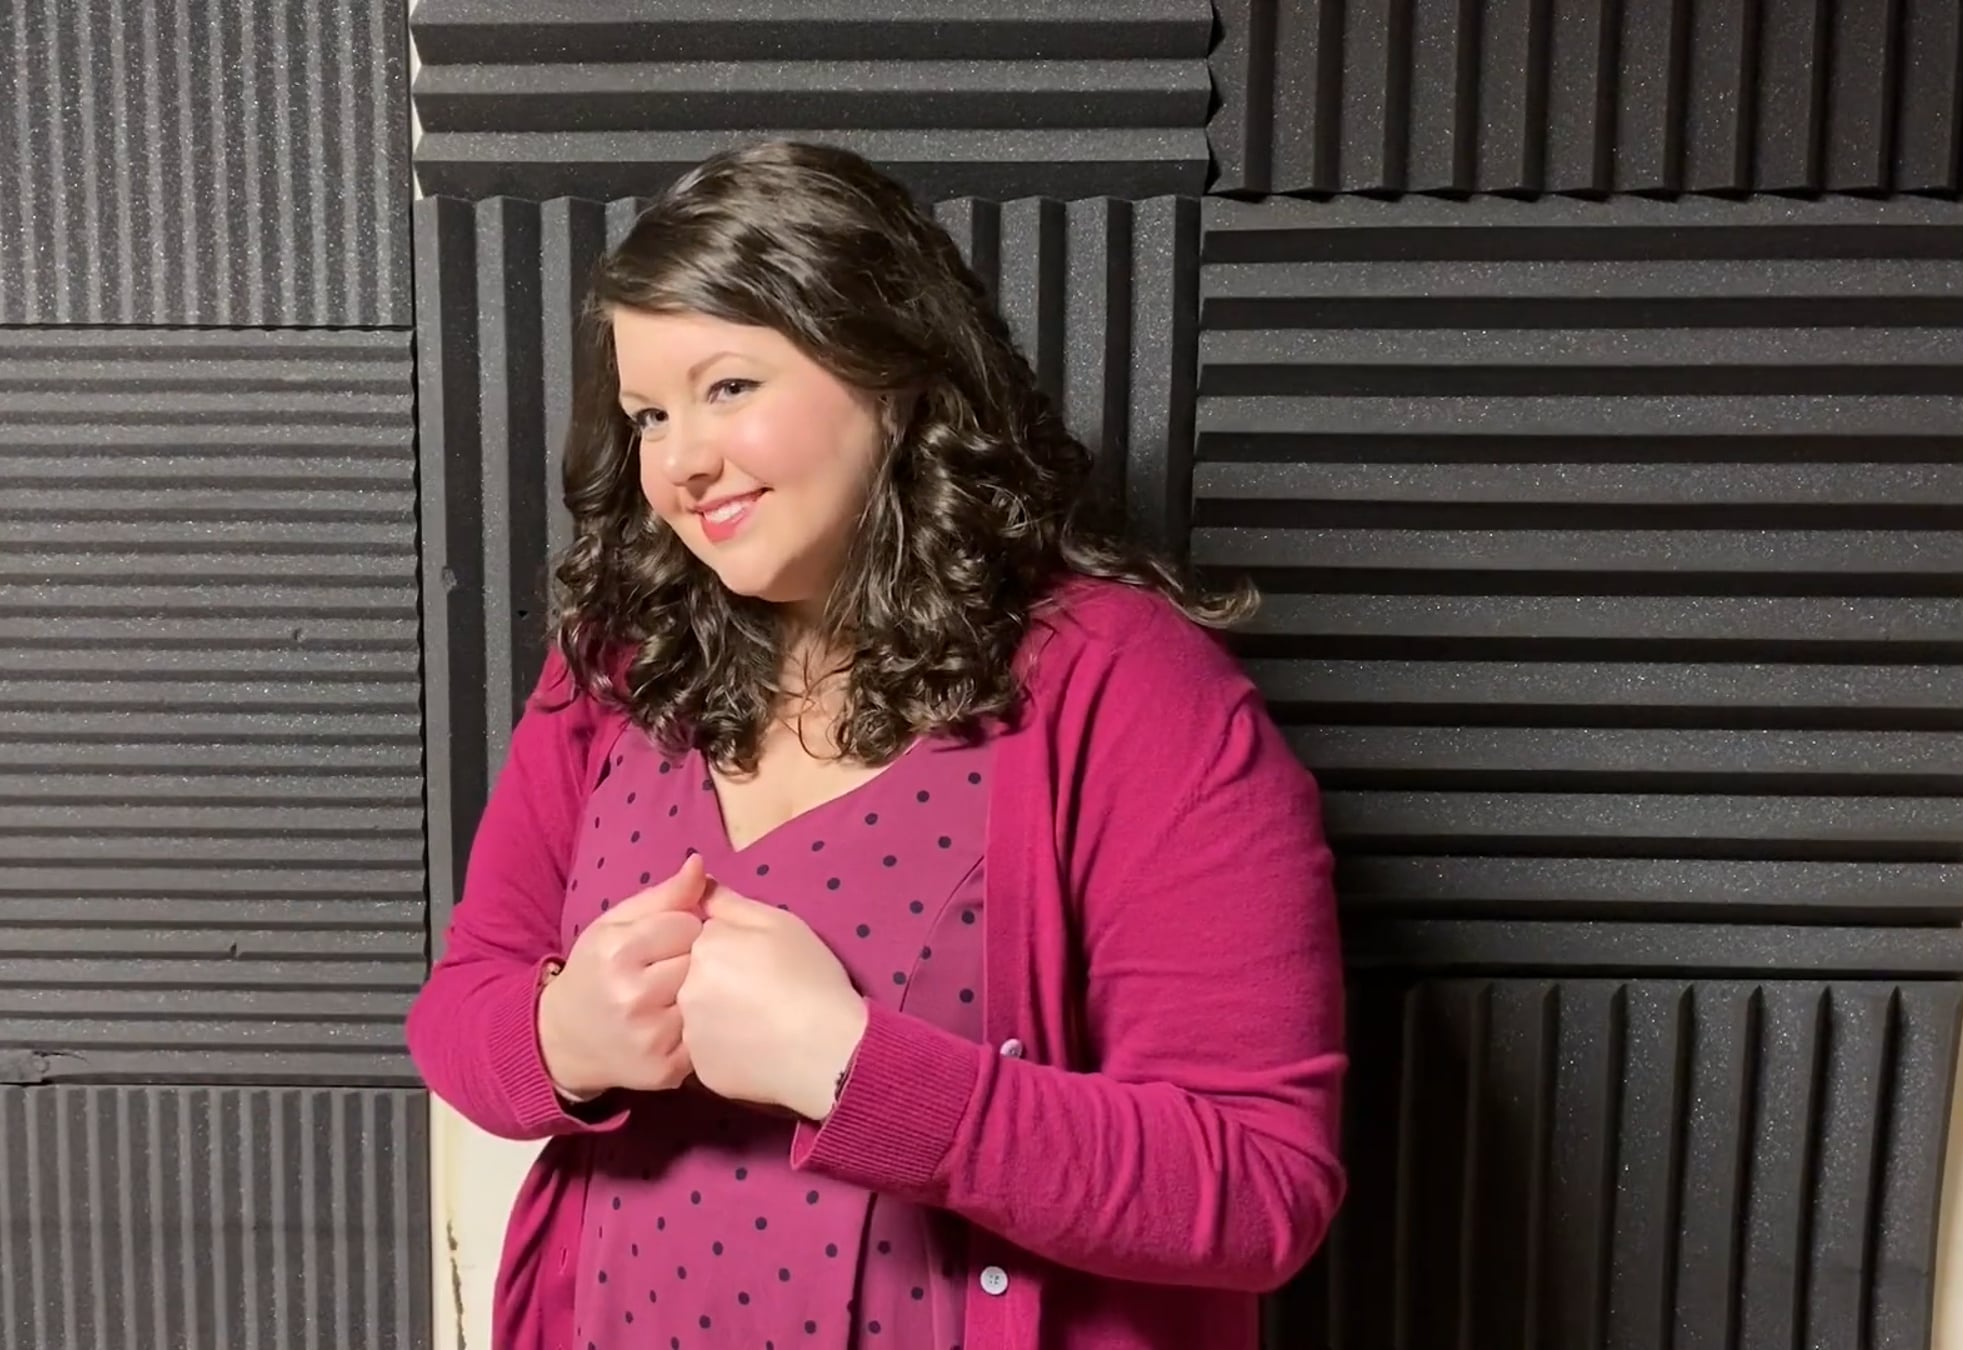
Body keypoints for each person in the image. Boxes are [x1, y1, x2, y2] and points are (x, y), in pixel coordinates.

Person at [406, 139, 1346, 1350]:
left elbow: (1260, 1188)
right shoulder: (617, 667)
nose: (681, 461)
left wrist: (849, 1066)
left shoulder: (1132, 691)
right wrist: (560, 1039)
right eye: (649, 414)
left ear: (890, 373)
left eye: (728, 387)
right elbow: (461, 1010)